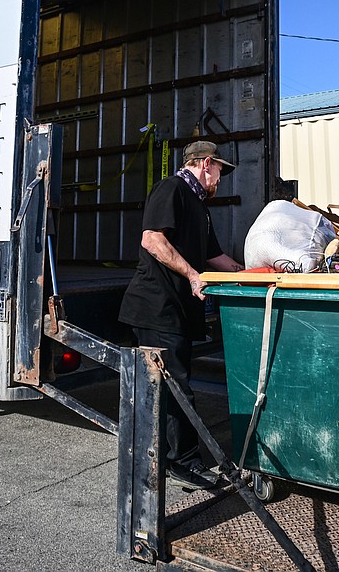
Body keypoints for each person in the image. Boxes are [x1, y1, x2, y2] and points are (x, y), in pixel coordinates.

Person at [117, 140, 244, 490]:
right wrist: (191, 274)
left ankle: (166, 454)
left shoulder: (200, 207)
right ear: (205, 163)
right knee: (176, 389)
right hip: (156, 307)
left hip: (177, 311)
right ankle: (183, 463)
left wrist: (253, 274)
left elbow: (216, 257)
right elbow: (152, 240)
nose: (221, 178)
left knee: (173, 386)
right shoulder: (170, 189)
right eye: (220, 170)